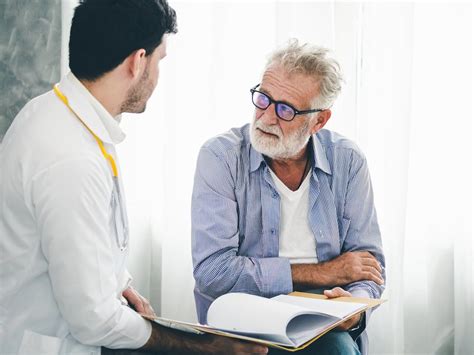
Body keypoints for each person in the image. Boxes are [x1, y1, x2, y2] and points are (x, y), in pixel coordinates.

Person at [0, 1, 267, 354]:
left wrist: (120, 283)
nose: (157, 75)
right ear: (138, 61)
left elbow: (88, 245)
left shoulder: (57, 113)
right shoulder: (70, 158)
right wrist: (200, 346)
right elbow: (94, 318)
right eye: (160, 61)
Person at [191, 39, 386, 355]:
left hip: (321, 323)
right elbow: (214, 272)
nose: (267, 117)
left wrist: (354, 307)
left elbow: (368, 267)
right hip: (244, 323)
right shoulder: (220, 156)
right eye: (263, 98)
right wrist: (325, 272)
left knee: (338, 349)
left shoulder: (348, 160)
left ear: (318, 121)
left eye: (285, 109)